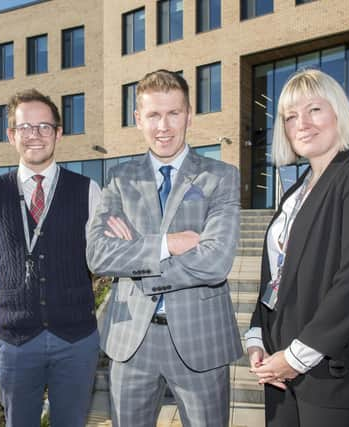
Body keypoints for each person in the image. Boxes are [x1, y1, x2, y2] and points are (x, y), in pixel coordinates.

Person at [87, 69, 242, 427]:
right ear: (138, 119)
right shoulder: (119, 179)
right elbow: (96, 253)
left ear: (189, 114)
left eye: (174, 113)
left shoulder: (221, 176)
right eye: (154, 115)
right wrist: (168, 244)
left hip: (201, 338)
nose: (164, 126)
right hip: (131, 344)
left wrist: (137, 262)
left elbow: (215, 261)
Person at [0, 88, 101, 427]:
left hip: (76, 339)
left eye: (44, 127)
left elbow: (100, 258)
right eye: (25, 127)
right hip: (15, 341)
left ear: (58, 133)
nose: (35, 135)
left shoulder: (87, 190)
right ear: (12, 135)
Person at [246, 69, 349, 426]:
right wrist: (257, 340)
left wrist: (297, 356)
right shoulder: (293, 193)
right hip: (281, 374)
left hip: (332, 376)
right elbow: (276, 277)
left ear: (338, 114)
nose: (302, 123)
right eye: (290, 116)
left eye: (314, 109)